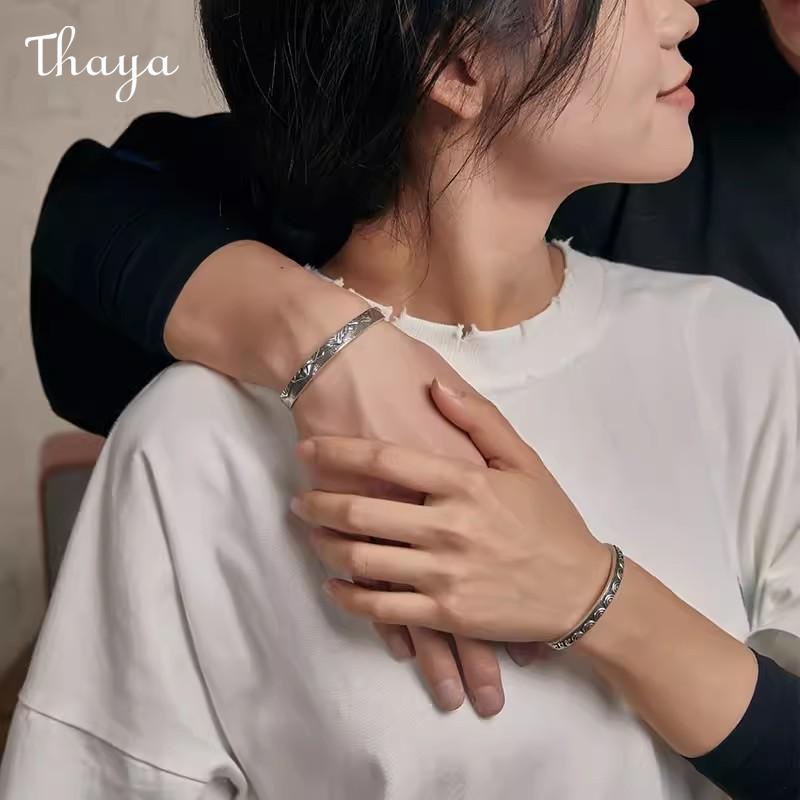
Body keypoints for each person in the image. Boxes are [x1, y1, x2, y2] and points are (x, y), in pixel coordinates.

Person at [3, 0, 799, 797]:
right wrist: (331, 350)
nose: (683, 14)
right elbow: (96, 209)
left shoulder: (737, 348)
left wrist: (589, 593)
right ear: (457, 67)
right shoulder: (191, 439)